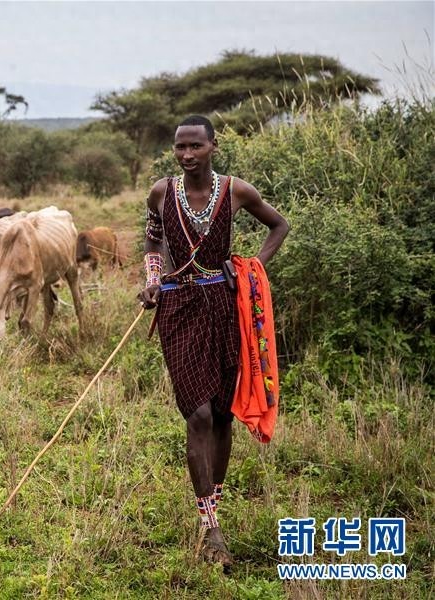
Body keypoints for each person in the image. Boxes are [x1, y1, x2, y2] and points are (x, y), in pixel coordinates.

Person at [138, 115, 289, 567]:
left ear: (213, 147)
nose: (186, 156)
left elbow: (279, 226)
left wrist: (250, 267)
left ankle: (210, 513)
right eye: (180, 147)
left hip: (226, 309)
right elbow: (152, 239)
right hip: (178, 309)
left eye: (195, 147)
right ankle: (213, 529)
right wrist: (151, 280)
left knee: (222, 413)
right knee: (198, 412)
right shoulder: (161, 192)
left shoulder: (236, 192)